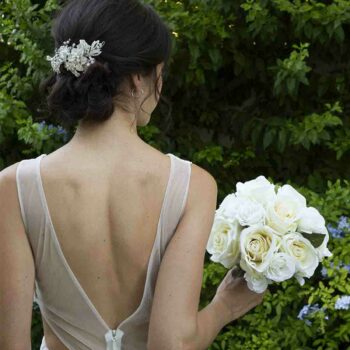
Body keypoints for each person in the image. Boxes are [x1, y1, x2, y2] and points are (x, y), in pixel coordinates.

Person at [0, 0, 265, 349]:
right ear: (141, 78)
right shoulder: (191, 186)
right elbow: (172, 344)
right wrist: (224, 307)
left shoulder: (14, 187)